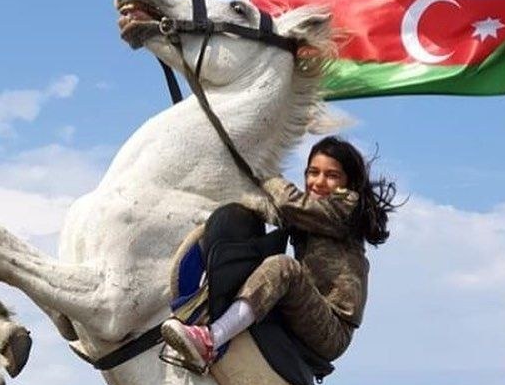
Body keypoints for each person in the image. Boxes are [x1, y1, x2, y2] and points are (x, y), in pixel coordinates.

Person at [161, 136, 395, 372]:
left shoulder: (344, 210)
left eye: (332, 175)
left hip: (331, 329)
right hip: (305, 308)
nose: (318, 182)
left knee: (285, 268)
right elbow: (268, 208)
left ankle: (210, 340)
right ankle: (199, 310)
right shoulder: (312, 215)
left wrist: (263, 170)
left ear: (348, 183)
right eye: (313, 172)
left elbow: (286, 202)